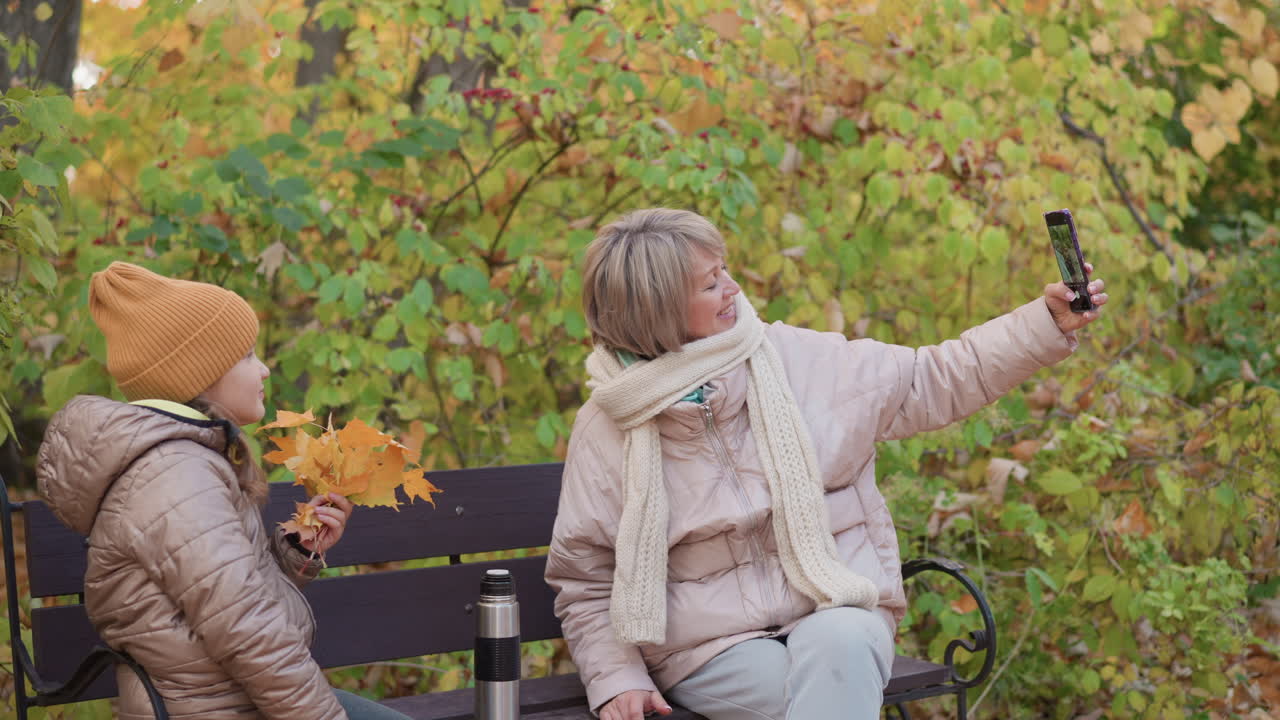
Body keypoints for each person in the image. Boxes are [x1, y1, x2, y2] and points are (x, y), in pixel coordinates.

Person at [544, 208, 1108, 720]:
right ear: (658, 309)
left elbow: (934, 377)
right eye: (711, 282)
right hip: (709, 651)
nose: (733, 289)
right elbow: (586, 578)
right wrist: (618, 679)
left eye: (725, 271)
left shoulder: (797, 359)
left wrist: (1046, 323)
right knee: (825, 698)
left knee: (840, 651)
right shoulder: (608, 424)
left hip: (835, 608)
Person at [35, 262, 410, 720]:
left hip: (232, 697)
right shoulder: (174, 476)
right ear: (199, 372)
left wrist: (294, 550)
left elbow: (220, 595)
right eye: (249, 355)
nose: (265, 369)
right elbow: (245, 628)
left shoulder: (186, 462)